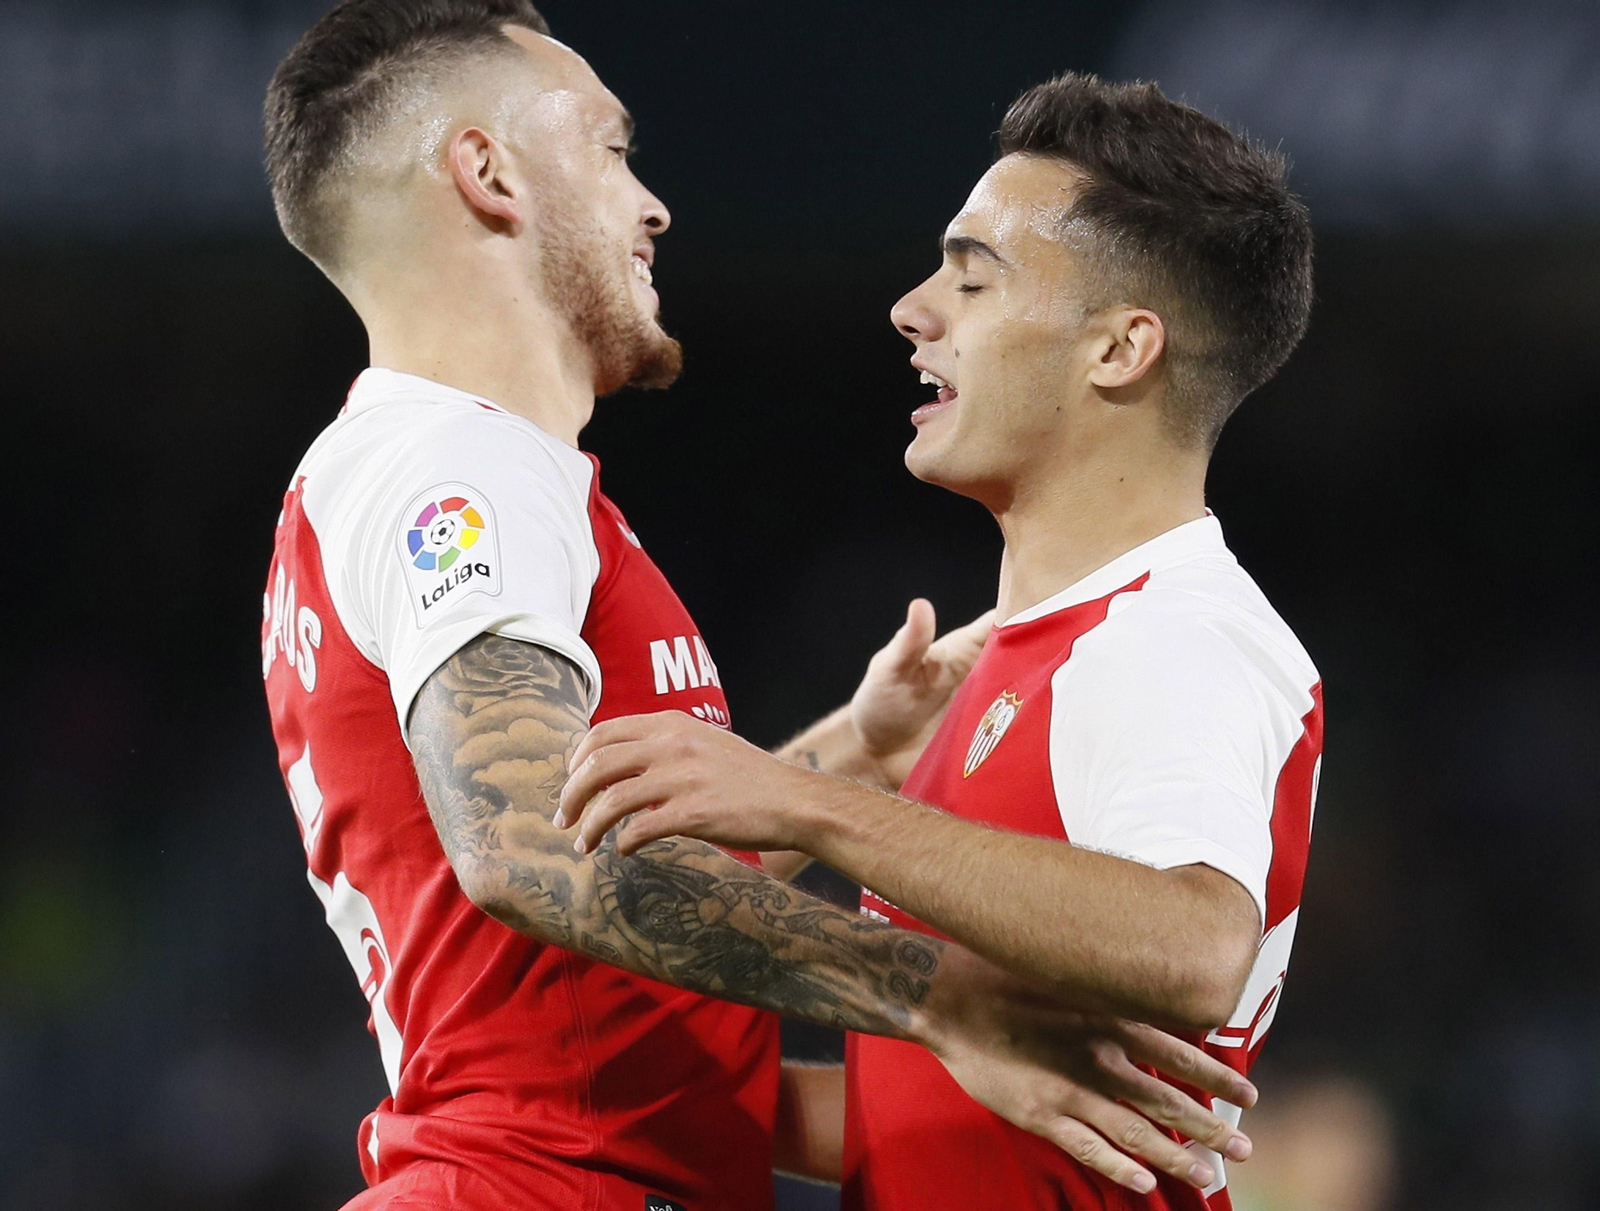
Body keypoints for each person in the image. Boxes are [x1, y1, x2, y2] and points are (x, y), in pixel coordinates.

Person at [259, 5, 1256, 1210]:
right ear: (488, 173)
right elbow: (524, 847)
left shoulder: (421, 472)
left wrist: (853, 748)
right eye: (612, 150)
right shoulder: (455, 471)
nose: (652, 205)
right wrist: (939, 997)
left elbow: (596, 854)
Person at [558, 72, 1322, 1210]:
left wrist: (812, 805)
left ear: (1119, 350)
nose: (913, 309)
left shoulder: (1172, 632)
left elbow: (1194, 940)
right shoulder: (1015, 656)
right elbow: (937, 1110)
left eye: (971, 276)